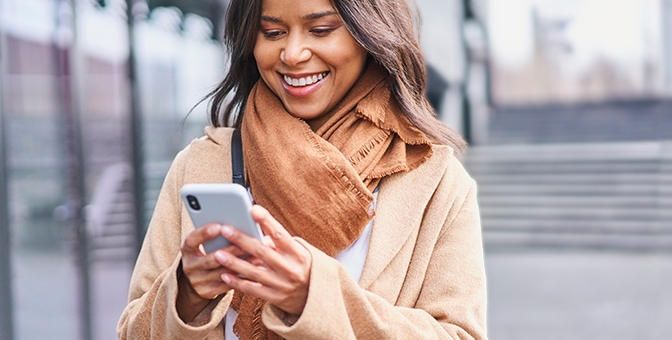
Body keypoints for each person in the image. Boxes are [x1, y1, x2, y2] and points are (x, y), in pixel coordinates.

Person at [117, 0, 487, 338]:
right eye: (273, 33)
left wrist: (313, 294)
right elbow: (132, 331)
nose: (292, 54)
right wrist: (185, 293)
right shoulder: (199, 165)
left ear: (369, 34)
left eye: (321, 30)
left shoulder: (435, 179)